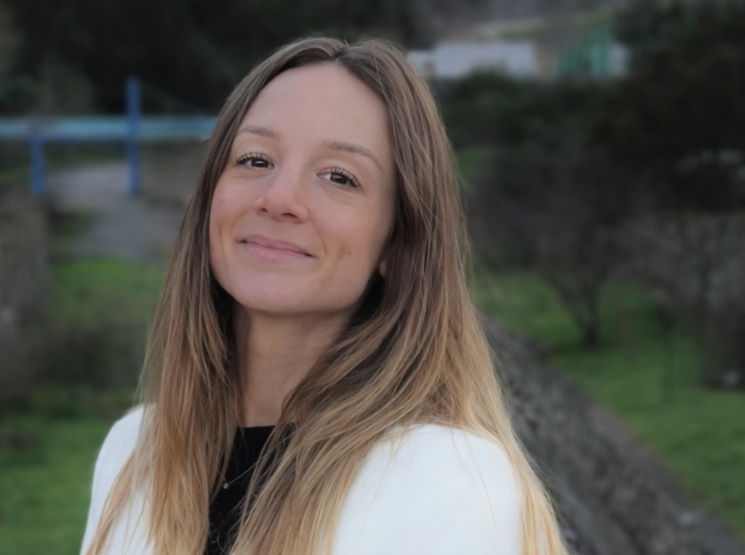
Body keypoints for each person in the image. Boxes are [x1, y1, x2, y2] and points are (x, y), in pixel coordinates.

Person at [79, 37, 568, 555]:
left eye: (339, 176)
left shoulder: (442, 478)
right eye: (255, 159)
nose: (279, 198)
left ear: (397, 243)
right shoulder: (133, 454)